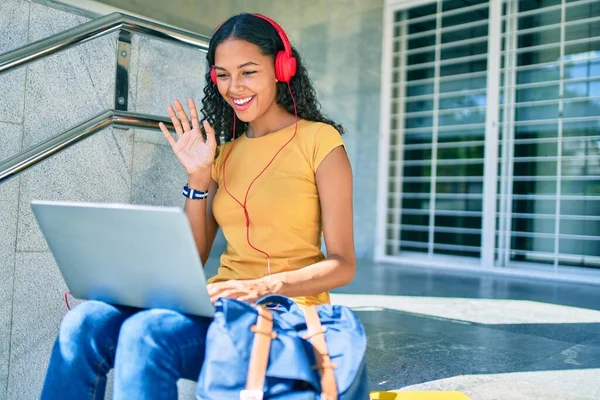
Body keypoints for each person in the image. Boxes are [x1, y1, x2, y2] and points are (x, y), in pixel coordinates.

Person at [40, 12, 355, 400]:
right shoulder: (224, 154)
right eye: (222, 74)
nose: (233, 86)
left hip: (284, 312)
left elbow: (343, 264)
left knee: (146, 334)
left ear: (281, 68)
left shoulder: (320, 142)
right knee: (84, 322)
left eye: (248, 71)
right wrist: (199, 179)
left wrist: (261, 285)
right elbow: (197, 254)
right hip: (221, 305)